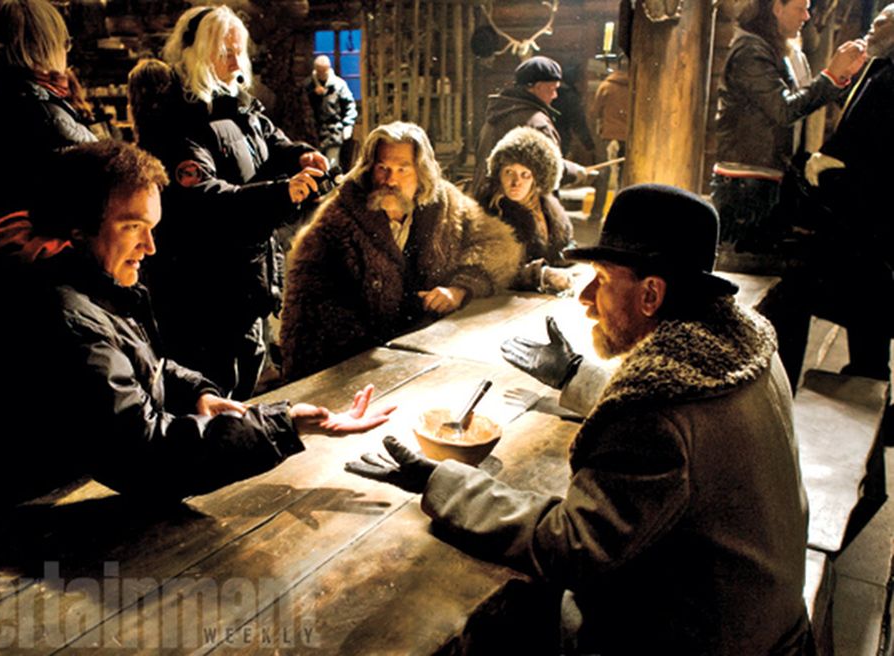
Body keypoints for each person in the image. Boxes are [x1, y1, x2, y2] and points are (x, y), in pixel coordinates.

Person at [348, 184, 815, 655]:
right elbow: (684, 418)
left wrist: (443, 483)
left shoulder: (654, 414)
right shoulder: (745, 351)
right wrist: (576, 375)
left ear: (651, 294)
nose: (587, 296)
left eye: (602, 279)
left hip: (705, 641)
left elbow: (571, 546)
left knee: (491, 623)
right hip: (770, 623)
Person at [0, 140, 394, 507]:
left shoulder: (93, 284)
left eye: (152, 227)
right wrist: (284, 424)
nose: (149, 246)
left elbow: (144, 365)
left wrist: (196, 394)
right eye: (132, 226)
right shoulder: (64, 316)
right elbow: (146, 455)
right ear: (78, 229)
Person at [129, 5, 328, 399]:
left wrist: (300, 156)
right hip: (204, 293)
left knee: (244, 383)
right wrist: (281, 192)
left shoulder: (237, 104)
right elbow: (202, 199)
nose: (237, 64)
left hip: (245, 283)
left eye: (240, 52)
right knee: (212, 396)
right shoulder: (179, 118)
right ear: (195, 54)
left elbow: (273, 143)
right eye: (225, 53)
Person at [279, 121, 523, 381]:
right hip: (361, 367)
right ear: (369, 169)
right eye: (382, 168)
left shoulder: (445, 204)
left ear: (421, 173)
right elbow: (309, 317)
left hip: (434, 353)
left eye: (402, 169)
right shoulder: (338, 220)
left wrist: (460, 288)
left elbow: (499, 244)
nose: (390, 180)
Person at [779, 4, 894, 381]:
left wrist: (824, 165)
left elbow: (869, 143)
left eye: (881, 24)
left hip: (870, 207)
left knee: (862, 291)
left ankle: (868, 374)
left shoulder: (888, 79)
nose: (871, 29)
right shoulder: (879, 71)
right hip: (863, 205)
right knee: (866, 297)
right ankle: (867, 370)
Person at [712, 0, 867, 253]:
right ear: (777, 8)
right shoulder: (751, 51)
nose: (807, 16)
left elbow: (799, 103)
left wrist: (839, 76)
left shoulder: (782, 50)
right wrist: (830, 75)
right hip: (746, 183)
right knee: (747, 265)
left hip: (766, 178)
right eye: (800, 8)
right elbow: (784, 110)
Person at [0, 0, 101, 234]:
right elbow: (105, 188)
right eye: (65, 43)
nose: (67, 52)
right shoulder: (48, 117)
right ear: (48, 46)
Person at [470, 56, 589, 198]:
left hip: (486, 200)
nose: (555, 95)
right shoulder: (538, 123)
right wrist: (574, 171)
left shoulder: (496, 113)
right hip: (518, 206)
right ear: (538, 87)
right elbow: (549, 170)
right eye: (553, 89)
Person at [476, 126, 575, 295]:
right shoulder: (491, 211)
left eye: (525, 174)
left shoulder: (546, 208)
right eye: (509, 172)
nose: (516, 182)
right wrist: (542, 275)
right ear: (499, 174)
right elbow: (495, 270)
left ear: (536, 179)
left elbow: (566, 246)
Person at [589, 56, 629, 221]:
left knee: (603, 175)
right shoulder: (637, 86)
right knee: (623, 178)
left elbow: (595, 111)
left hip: (608, 136)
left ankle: (596, 213)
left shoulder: (607, 86)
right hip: (628, 138)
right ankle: (620, 215)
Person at [303, 55, 358, 170]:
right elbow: (302, 107)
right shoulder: (308, 85)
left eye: (324, 71)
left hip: (333, 131)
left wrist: (348, 124)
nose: (322, 74)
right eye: (319, 71)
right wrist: (313, 94)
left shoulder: (339, 85)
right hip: (313, 133)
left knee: (332, 164)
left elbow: (349, 105)